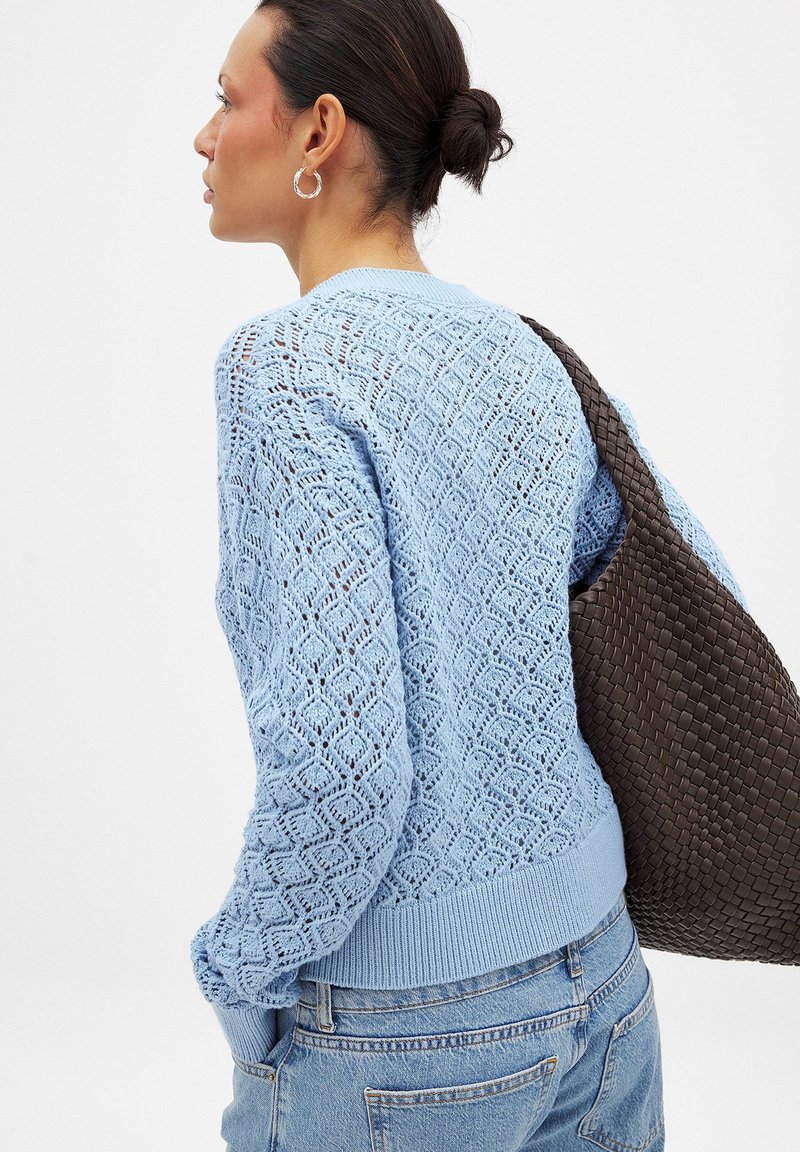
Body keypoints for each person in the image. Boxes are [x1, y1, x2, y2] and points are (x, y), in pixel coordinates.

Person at [191, 3, 748, 1149]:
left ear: (318, 131)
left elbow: (342, 767)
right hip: (600, 978)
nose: (203, 137)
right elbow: (699, 599)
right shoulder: (520, 349)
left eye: (227, 99)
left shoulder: (284, 367)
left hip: (403, 1033)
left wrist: (238, 974)